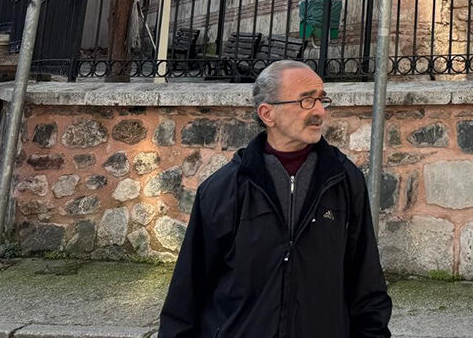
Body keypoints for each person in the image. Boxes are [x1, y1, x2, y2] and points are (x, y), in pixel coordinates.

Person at [159, 60, 392, 337]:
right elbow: (187, 292)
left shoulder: (344, 180)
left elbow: (366, 283)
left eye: (322, 100)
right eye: (307, 101)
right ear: (267, 114)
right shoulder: (222, 189)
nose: (319, 111)